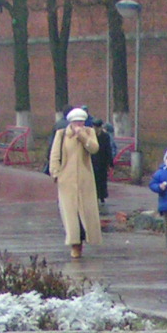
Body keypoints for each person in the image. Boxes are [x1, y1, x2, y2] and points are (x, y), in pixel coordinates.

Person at [49, 107, 102, 259]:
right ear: (71, 122)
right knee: (71, 214)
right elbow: (55, 155)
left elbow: (94, 149)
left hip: (85, 180)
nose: (80, 124)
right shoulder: (62, 134)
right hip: (66, 180)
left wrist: (82, 136)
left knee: (86, 213)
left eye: (82, 122)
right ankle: (75, 245)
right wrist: (56, 173)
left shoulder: (89, 132)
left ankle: (85, 241)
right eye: (77, 122)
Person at [89, 116, 114, 209]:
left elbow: (108, 149)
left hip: (102, 162)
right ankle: (94, 196)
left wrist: (110, 163)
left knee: (102, 180)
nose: (95, 129)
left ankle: (102, 196)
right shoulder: (90, 136)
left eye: (97, 127)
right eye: (94, 127)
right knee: (93, 180)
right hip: (92, 161)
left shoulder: (105, 136)